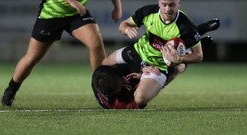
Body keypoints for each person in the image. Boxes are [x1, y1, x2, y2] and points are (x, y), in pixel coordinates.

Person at [1, 0, 122, 107]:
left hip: (76, 15)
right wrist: (73, 2)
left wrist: (117, 7)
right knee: (32, 57)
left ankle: (100, 89)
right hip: (52, 15)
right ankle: (11, 89)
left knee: (96, 43)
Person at [101, 0, 205, 108]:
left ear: (178, 3)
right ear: (159, 3)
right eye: (164, 4)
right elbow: (123, 25)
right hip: (139, 53)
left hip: (159, 65)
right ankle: (139, 76)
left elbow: (199, 56)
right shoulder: (148, 12)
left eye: (172, 5)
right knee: (105, 65)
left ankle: (174, 70)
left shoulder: (185, 26)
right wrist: (127, 30)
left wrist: (179, 59)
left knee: (140, 99)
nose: (167, 9)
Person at [92, 18, 220, 109]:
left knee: (106, 61)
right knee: (172, 70)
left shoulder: (103, 72)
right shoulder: (116, 103)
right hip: (138, 84)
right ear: (114, 94)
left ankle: (196, 32)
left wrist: (141, 68)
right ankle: (188, 51)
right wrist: (142, 76)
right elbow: (139, 104)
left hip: (138, 54)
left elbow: (127, 66)